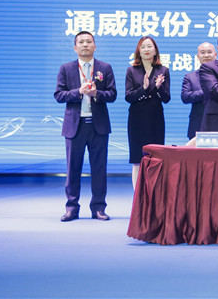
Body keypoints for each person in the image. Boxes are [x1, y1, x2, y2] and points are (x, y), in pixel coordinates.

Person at [54, 31, 117, 222]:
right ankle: (71, 208)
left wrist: (97, 93)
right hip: (75, 126)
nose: (85, 45)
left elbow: (112, 94)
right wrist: (78, 92)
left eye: (89, 41)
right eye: (81, 42)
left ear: (95, 46)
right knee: (73, 169)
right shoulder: (66, 68)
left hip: (98, 126)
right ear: (75, 48)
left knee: (99, 169)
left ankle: (98, 208)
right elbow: (59, 95)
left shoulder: (105, 68)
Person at [125, 36, 170, 190]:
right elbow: (128, 97)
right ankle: (137, 196)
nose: (146, 49)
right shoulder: (132, 70)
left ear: (155, 50)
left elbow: (166, 98)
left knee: (156, 157)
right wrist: (143, 89)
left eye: (149, 46)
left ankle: (155, 193)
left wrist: (158, 87)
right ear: (138, 50)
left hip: (155, 117)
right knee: (137, 159)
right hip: (136, 118)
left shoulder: (163, 70)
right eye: (143, 46)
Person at [181, 42, 217, 140]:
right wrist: (208, 91)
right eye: (203, 52)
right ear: (198, 56)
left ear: (215, 55)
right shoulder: (190, 77)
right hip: (198, 124)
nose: (206, 55)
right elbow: (185, 97)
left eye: (209, 52)